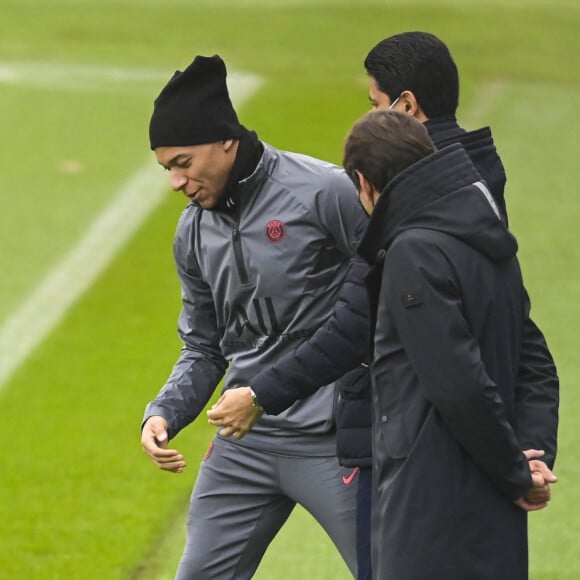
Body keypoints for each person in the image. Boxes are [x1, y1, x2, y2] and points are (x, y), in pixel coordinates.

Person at [207, 31, 559, 580]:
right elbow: (527, 343)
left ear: (407, 107)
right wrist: (531, 454)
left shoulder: (411, 241)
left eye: (375, 104)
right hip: (481, 468)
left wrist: (262, 392)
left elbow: (403, 350)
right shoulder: (477, 196)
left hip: (425, 472)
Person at [140, 54, 368, 579]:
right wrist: (163, 413)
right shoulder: (192, 233)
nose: (175, 182)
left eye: (182, 162)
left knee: (390, 570)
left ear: (225, 141)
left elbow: (386, 299)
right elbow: (203, 345)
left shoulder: (325, 192)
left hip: (333, 440)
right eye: (166, 169)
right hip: (246, 440)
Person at [344, 108, 557, 579]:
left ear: (364, 182)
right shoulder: (488, 236)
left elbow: (457, 381)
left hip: (429, 511)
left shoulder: (412, 252)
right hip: (493, 503)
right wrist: (532, 456)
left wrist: (517, 470)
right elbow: (536, 363)